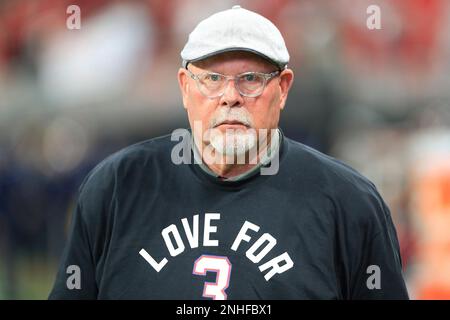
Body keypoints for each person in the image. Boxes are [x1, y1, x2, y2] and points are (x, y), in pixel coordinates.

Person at [49, 5, 409, 300]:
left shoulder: (347, 202)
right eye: (212, 79)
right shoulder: (117, 187)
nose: (231, 96)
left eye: (251, 78)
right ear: (185, 87)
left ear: (283, 88)